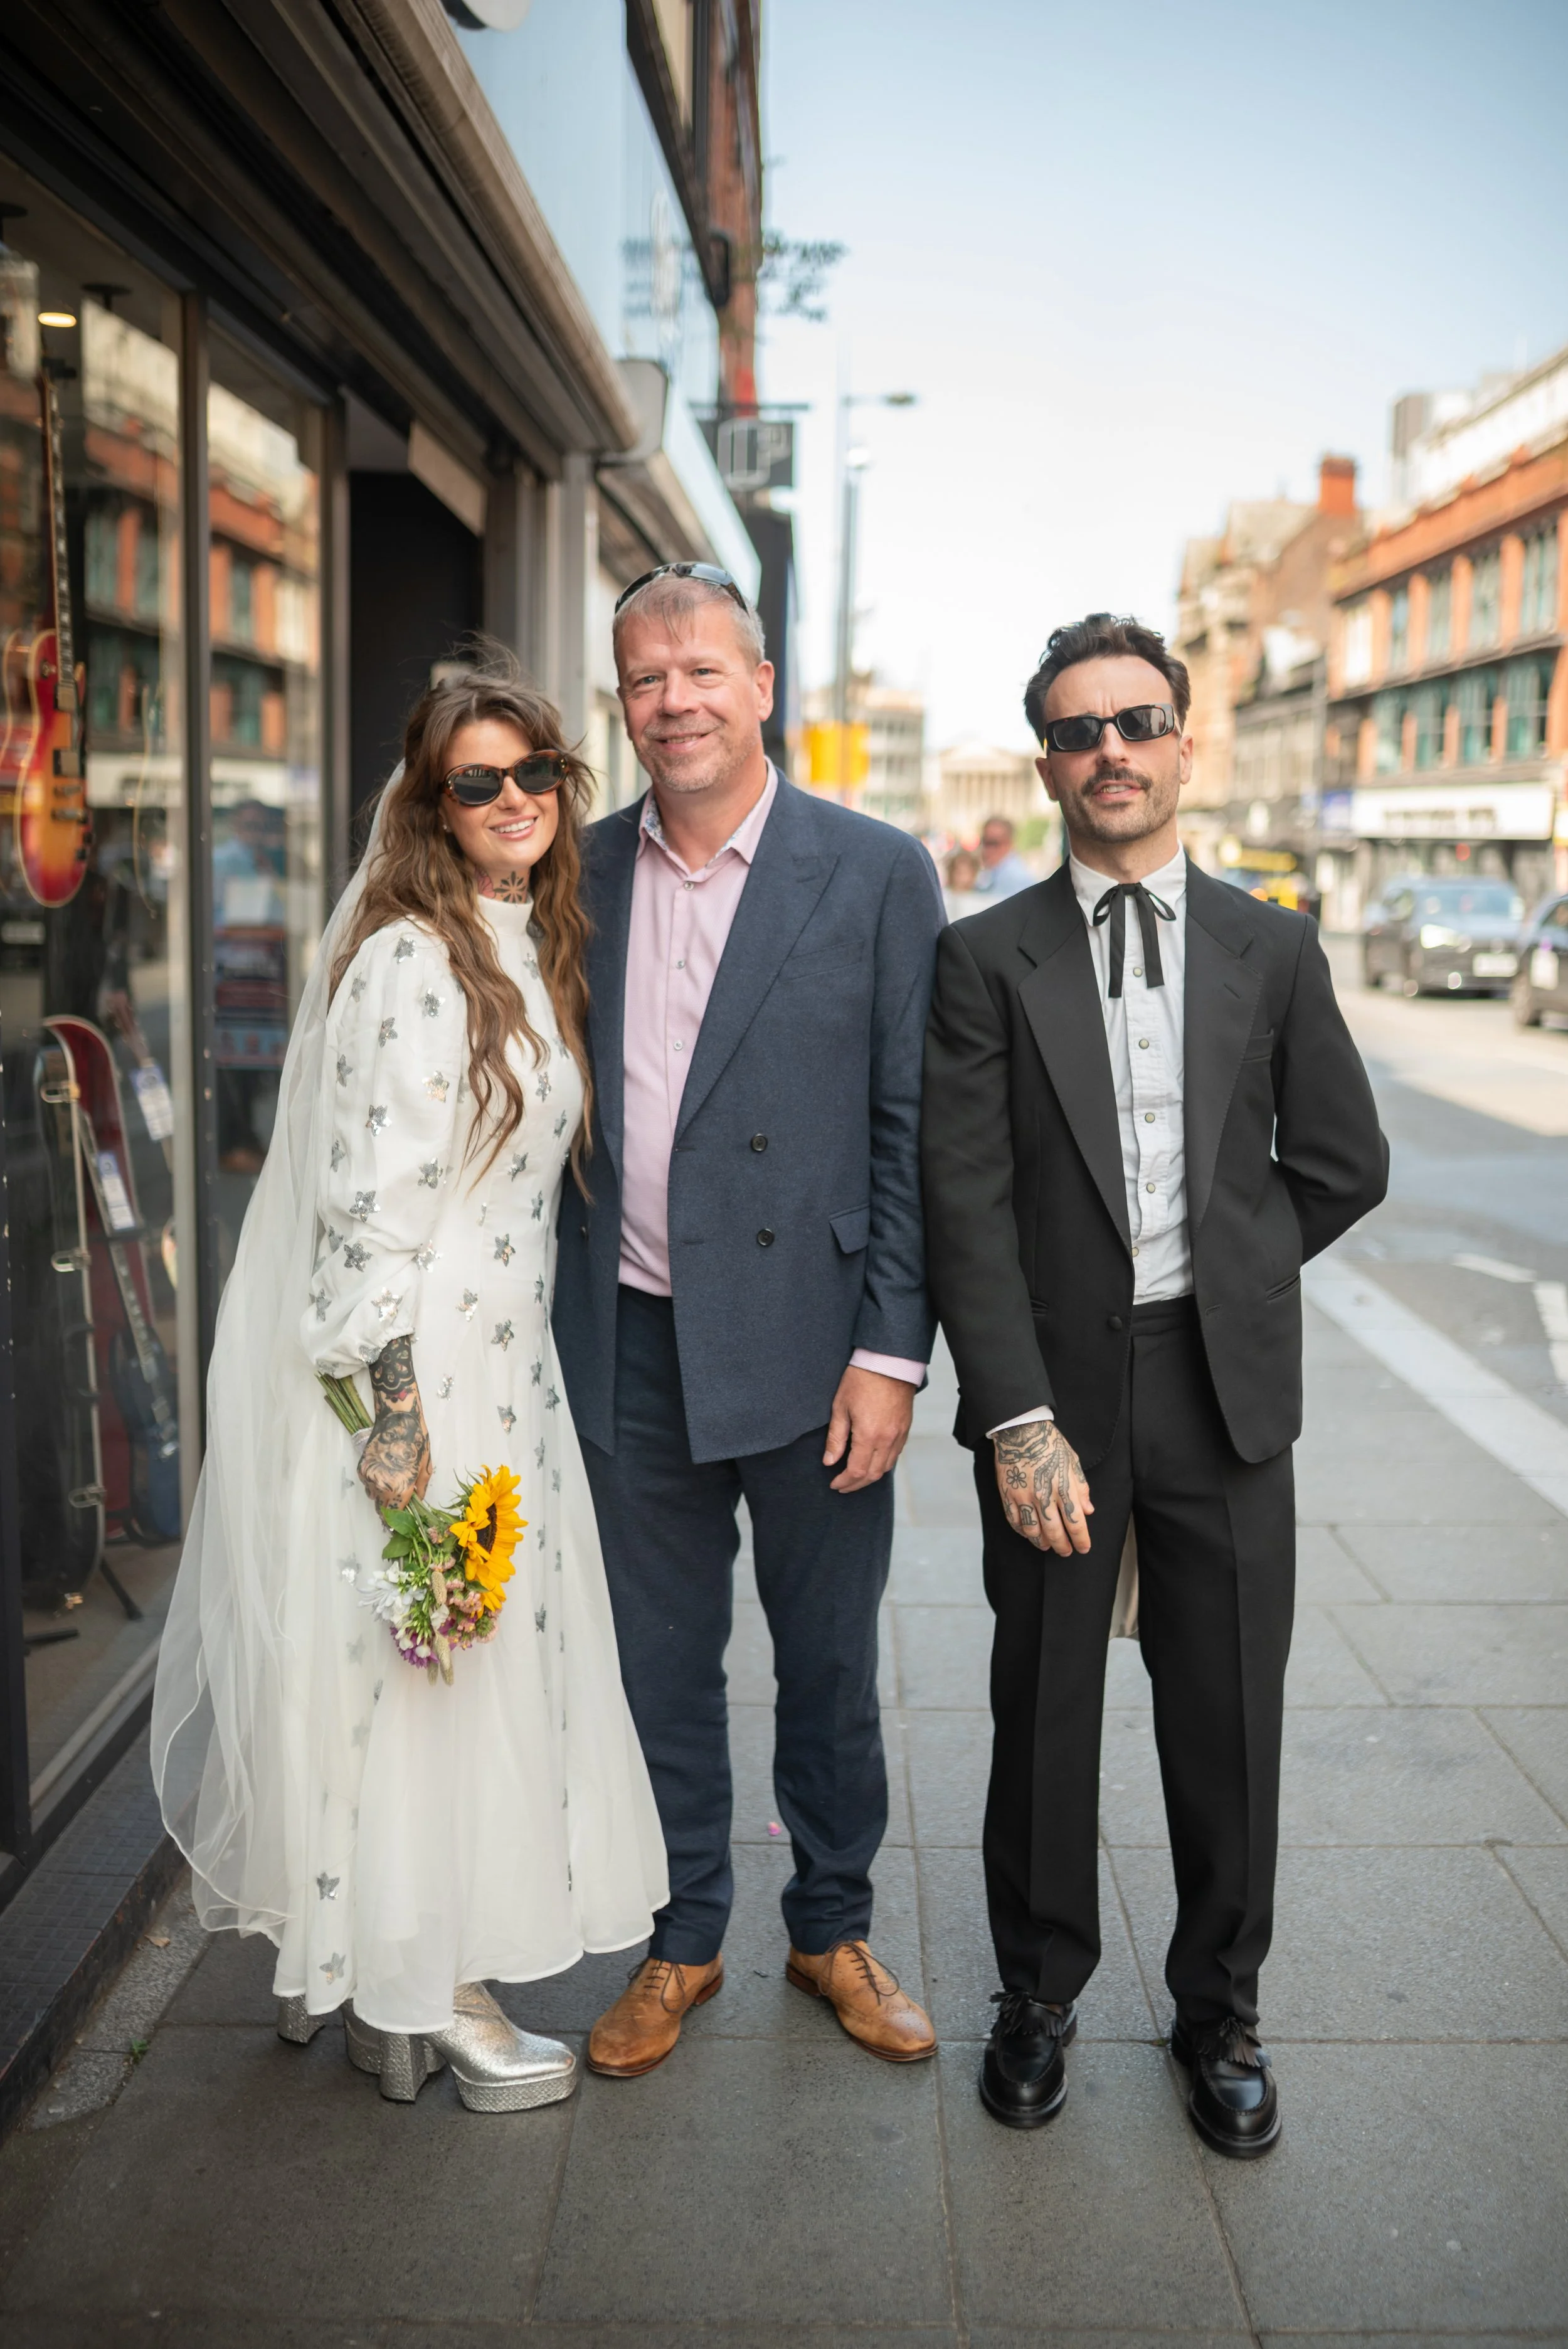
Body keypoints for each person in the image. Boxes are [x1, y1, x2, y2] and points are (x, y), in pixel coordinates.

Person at [152, 657, 667, 2114]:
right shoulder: (411, 961)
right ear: (432, 806)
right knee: (430, 1674)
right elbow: (368, 1210)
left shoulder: (522, 939)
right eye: (475, 782)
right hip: (422, 1375)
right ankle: (430, 1990)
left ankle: (397, 1983)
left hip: (505, 1368)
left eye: (532, 773)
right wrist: (393, 1418)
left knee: (455, 1671)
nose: (512, 800)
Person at [921, 612, 1387, 2156]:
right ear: (1047, 767)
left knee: (1226, 1712)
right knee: (1044, 1704)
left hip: (1220, 1388)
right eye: (1076, 730)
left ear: (1183, 745)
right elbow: (963, 1201)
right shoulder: (982, 958)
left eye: (1133, 722)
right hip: (1053, 1395)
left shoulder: (1274, 946)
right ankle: (1037, 1994)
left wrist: (1240, 1273)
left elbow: (1342, 1161)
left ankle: (1218, 2012)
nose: (1108, 750)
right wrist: (1014, 1417)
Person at [553, 563, 945, 2077]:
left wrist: (890, 1353)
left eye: (702, 671)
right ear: (622, 701)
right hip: (631, 1340)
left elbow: (911, 1128)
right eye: (646, 679)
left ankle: (831, 1925)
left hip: (815, 1341)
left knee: (828, 1663)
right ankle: (684, 1934)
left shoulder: (875, 869)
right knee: (659, 1664)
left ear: (762, 685)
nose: (675, 703)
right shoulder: (576, 870)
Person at [972, 814, 1034, 899]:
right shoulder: (990, 874)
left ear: (1009, 843)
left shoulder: (1017, 879)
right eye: (984, 842)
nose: (986, 849)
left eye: (993, 843)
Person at [943, 845, 985, 920]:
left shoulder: (980, 899)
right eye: (958, 872)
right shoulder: (944, 897)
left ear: (973, 874)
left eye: (965, 873)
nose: (961, 878)